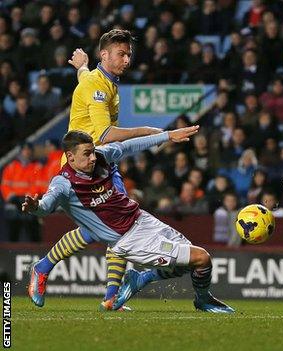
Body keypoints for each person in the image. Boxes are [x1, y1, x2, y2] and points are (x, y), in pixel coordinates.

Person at [24, 127, 233, 313]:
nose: (93, 158)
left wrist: (168, 136)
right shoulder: (63, 183)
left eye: (92, 152)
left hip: (143, 219)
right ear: (70, 157)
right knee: (202, 258)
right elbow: (46, 207)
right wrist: (36, 208)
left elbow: (129, 146)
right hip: (131, 241)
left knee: (192, 264)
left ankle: (141, 279)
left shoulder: (102, 156)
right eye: (86, 154)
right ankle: (203, 300)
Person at [30, 29, 164, 311]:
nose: (127, 59)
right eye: (121, 54)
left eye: (129, 54)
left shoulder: (100, 80)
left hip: (99, 164)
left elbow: (87, 81)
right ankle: (100, 290)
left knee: (104, 229)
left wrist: (82, 67)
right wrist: (147, 132)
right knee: (119, 227)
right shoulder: (100, 86)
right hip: (82, 166)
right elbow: (104, 133)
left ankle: (104, 292)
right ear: (105, 55)